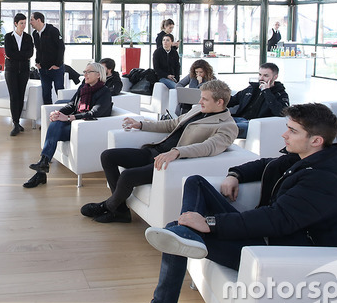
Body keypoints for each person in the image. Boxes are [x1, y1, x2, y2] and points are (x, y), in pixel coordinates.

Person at [111, 103, 337, 303]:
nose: (284, 135)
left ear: (316, 140)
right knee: (195, 182)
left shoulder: (325, 180)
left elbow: (277, 219)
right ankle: (187, 234)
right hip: (267, 234)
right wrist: (234, 174)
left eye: (292, 131)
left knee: (174, 234)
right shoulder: (311, 156)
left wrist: (210, 223)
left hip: (279, 254)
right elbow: (267, 164)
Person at [81, 80, 237, 224]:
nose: (199, 101)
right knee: (108, 156)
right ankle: (120, 210)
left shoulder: (227, 126)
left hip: (169, 163)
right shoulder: (197, 109)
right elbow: (172, 123)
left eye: (204, 99)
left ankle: (107, 206)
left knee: (127, 176)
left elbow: (208, 147)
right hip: (155, 151)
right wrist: (141, 124)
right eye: (201, 97)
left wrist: (177, 152)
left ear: (220, 102)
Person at [23, 62, 113, 188]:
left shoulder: (104, 92)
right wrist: (58, 113)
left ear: (98, 75)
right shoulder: (83, 88)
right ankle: (42, 166)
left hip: (87, 128)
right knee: (56, 122)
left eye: (88, 72)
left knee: (57, 124)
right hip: (75, 125)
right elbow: (72, 105)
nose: (85, 74)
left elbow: (94, 113)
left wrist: (70, 117)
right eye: (84, 71)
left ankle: (42, 168)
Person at [227, 62, 289, 138]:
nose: (261, 78)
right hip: (238, 119)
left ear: (275, 77)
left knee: (225, 129)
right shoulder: (252, 88)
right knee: (212, 123)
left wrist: (267, 91)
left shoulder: (280, 94)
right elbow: (233, 100)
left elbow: (281, 112)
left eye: (266, 76)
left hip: (254, 125)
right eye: (260, 75)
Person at [4, 13, 34, 137]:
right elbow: (8, 52)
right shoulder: (8, 37)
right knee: (14, 96)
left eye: (25, 23)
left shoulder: (28, 37)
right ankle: (15, 123)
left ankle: (17, 122)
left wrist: (15, 56)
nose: (24, 25)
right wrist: (22, 56)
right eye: (21, 23)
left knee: (21, 96)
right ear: (16, 24)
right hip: (11, 71)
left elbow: (30, 53)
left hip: (24, 71)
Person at [30, 12, 65, 104]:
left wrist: (57, 64)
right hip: (43, 69)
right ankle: (48, 115)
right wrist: (37, 62)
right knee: (46, 93)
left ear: (38, 20)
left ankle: (64, 114)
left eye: (31, 20)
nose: (30, 22)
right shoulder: (35, 34)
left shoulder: (53, 30)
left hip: (56, 69)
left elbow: (61, 48)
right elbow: (38, 49)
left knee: (60, 92)